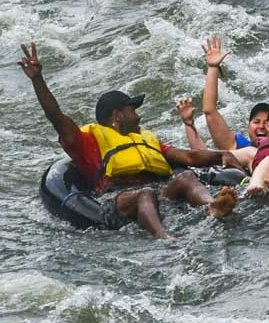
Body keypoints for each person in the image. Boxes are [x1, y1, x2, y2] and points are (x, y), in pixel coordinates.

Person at [18, 42, 238, 239]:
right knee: (144, 194)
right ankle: (163, 237)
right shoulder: (87, 142)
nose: (139, 116)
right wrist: (37, 79)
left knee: (187, 177)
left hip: (157, 191)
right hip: (115, 201)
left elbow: (188, 157)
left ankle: (213, 207)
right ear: (117, 116)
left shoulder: (145, 139)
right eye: (133, 110)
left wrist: (221, 155)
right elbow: (55, 116)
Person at [177, 36, 269, 169]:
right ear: (248, 127)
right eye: (256, 122)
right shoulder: (239, 147)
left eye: (267, 122)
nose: (261, 126)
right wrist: (213, 67)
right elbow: (209, 111)